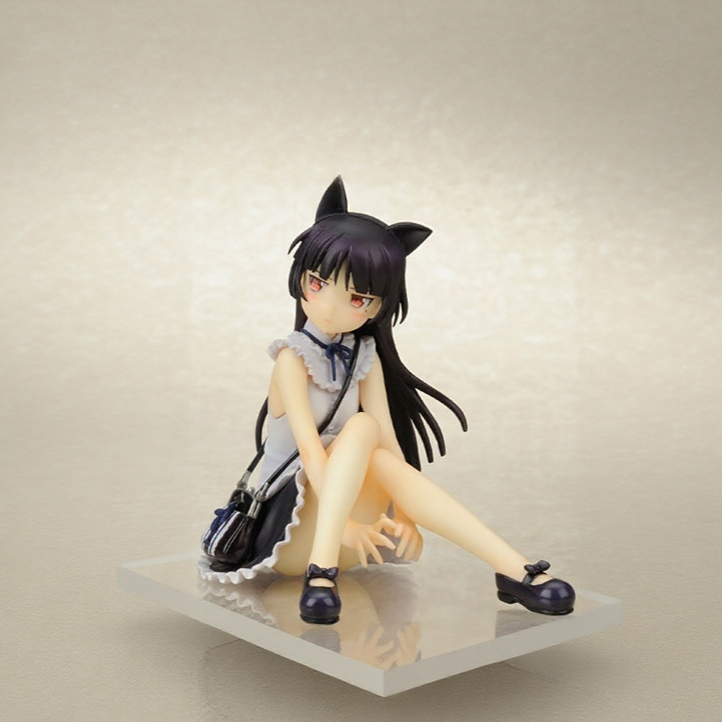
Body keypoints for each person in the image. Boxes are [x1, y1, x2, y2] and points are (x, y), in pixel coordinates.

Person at [200, 177, 575, 624]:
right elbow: (310, 452)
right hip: (294, 529)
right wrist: (344, 525)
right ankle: (320, 570)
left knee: (372, 438)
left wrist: (407, 516)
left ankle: (513, 568)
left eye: (357, 297)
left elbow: (391, 447)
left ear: (377, 307)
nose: (332, 306)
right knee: (362, 429)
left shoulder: (365, 356)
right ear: (300, 277)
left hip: (356, 533)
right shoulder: (290, 360)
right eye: (319, 283)